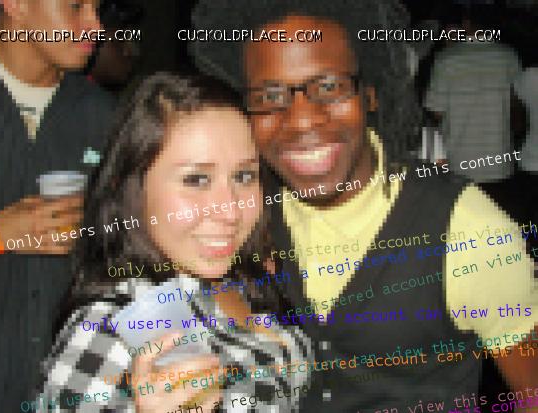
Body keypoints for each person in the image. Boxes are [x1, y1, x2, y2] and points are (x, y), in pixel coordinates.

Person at [190, 0, 538, 411]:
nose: (302, 120)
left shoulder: (469, 230)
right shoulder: (246, 211)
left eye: (328, 87)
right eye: (270, 96)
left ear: (369, 95)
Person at [31, 73, 312, 412]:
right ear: (131, 190)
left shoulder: (245, 274)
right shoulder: (113, 328)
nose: (231, 211)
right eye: (196, 179)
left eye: (244, 176)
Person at [0, 0, 114, 410]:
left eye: (97, 8)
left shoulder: (104, 115)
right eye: (76, 6)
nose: (95, 25)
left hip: (68, 386)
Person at [424, 6, 522, 183]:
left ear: (466, 24)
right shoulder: (509, 57)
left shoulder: (446, 59)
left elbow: (436, 113)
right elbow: (516, 106)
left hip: (459, 163)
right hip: (499, 163)